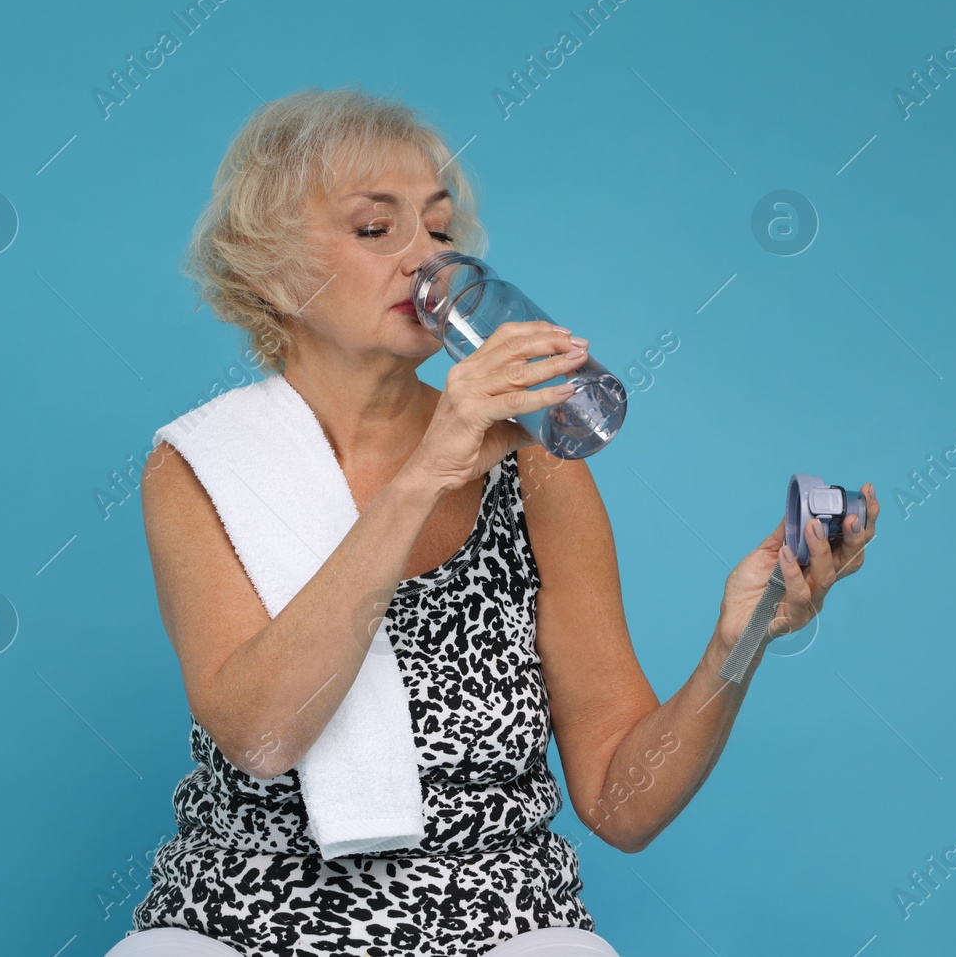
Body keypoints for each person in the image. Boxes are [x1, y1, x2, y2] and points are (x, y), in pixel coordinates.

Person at [109, 86, 879, 956]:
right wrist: (426, 470)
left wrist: (738, 642)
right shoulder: (204, 462)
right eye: (376, 229)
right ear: (272, 271)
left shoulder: (536, 465)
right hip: (244, 924)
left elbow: (622, 807)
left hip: (500, 925)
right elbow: (262, 734)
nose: (425, 258)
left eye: (439, 230)